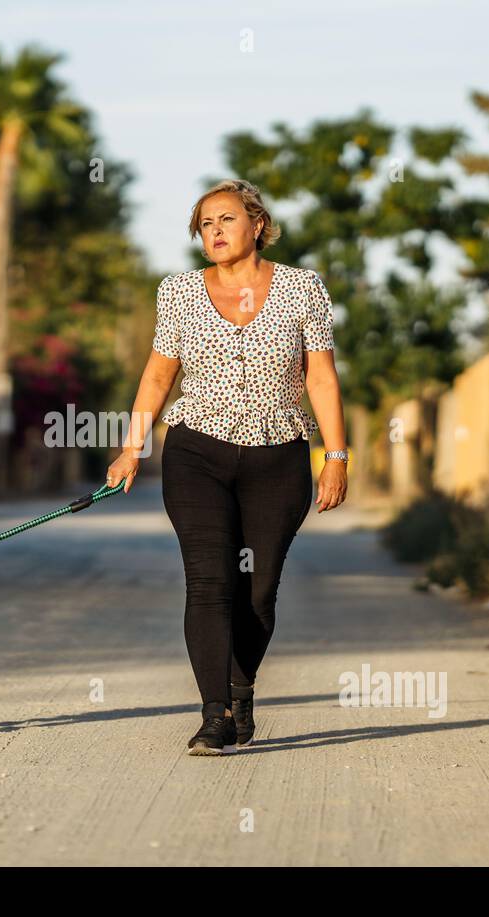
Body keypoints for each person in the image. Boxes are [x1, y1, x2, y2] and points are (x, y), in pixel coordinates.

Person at [105, 178, 348, 756]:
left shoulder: (302, 288)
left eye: (226, 220)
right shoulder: (179, 292)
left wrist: (336, 455)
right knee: (209, 582)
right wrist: (132, 446)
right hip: (196, 452)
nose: (214, 232)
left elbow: (320, 376)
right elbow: (160, 374)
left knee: (258, 592)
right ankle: (214, 715)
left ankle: (242, 689)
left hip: (279, 453)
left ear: (257, 225)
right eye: (205, 224)